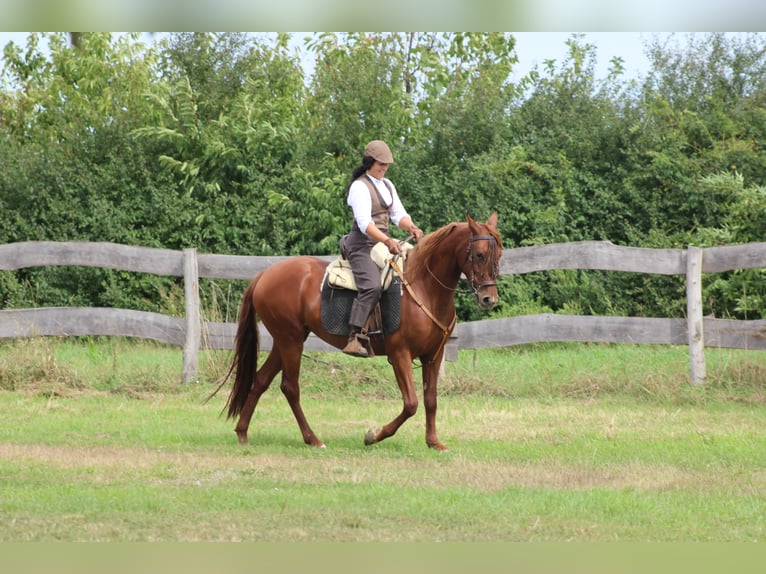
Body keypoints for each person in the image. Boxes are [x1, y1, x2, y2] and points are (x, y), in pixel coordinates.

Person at [341, 139, 424, 357]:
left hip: (384, 243)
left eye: (387, 165)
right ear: (369, 162)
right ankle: (355, 335)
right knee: (372, 286)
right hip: (362, 246)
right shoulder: (359, 186)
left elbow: (399, 215)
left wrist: (412, 227)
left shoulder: (388, 185)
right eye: (381, 163)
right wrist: (387, 241)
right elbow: (364, 223)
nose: (384, 168)